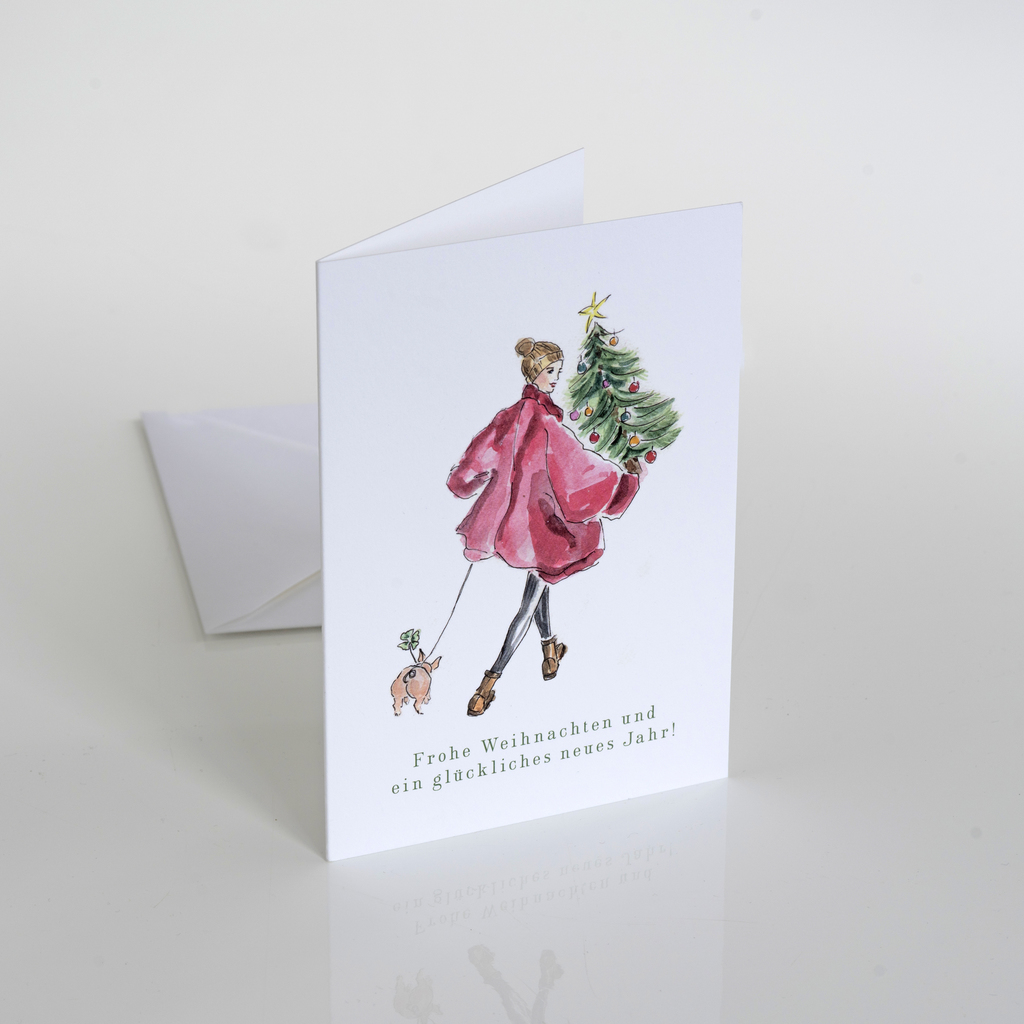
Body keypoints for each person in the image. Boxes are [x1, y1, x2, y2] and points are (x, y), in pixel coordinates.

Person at [448, 337, 646, 716]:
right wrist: (625, 482)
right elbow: (580, 469)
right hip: (544, 527)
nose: (556, 378)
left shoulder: (509, 416)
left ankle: (550, 650)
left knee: (540, 586)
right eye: (551, 371)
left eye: (558, 370)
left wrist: (464, 481)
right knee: (528, 603)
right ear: (535, 373)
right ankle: (488, 683)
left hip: (517, 527)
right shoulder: (546, 422)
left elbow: (478, 455)